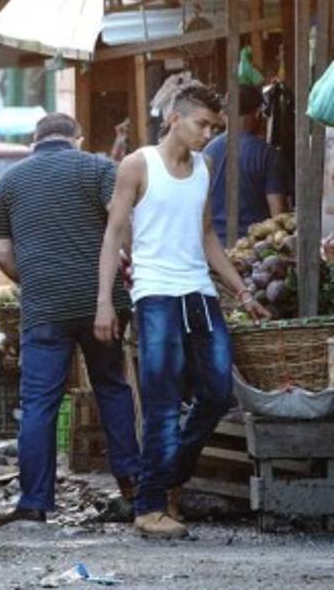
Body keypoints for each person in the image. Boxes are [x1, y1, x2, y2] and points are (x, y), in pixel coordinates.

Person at [96, 80, 271, 539]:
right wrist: (104, 303)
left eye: (213, 126)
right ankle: (150, 506)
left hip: (199, 291)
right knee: (161, 400)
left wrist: (243, 292)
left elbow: (207, 237)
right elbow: (114, 235)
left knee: (217, 391)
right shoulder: (137, 165)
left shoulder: (205, 166)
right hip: (154, 294)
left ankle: (169, 476)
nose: (206, 133)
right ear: (174, 118)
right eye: (201, 124)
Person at [0, 113, 139, 526]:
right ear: (77, 138)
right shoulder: (98, 168)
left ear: (35, 140)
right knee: (112, 389)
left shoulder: (9, 182)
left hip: (44, 306)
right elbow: (122, 224)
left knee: (38, 403)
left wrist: (31, 277)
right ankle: (133, 491)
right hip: (102, 301)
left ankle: (34, 503)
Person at [204, 84, 287, 244]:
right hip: (252, 249)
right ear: (257, 113)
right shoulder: (267, 154)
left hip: (213, 247)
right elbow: (278, 214)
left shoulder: (207, 151)